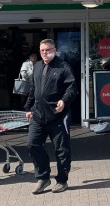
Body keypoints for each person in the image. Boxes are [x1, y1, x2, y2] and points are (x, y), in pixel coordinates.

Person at [25, 38, 77, 195]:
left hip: (57, 116)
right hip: (38, 114)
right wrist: (28, 107)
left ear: (54, 50)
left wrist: (64, 100)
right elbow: (33, 90)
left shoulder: (63, 66)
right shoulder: (37, 66)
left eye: (48, 50)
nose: (45, 53)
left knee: (61, 149)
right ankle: (43, 177)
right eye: (42, 50)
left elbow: (72, 87)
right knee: (32, 144)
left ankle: (62, 180)